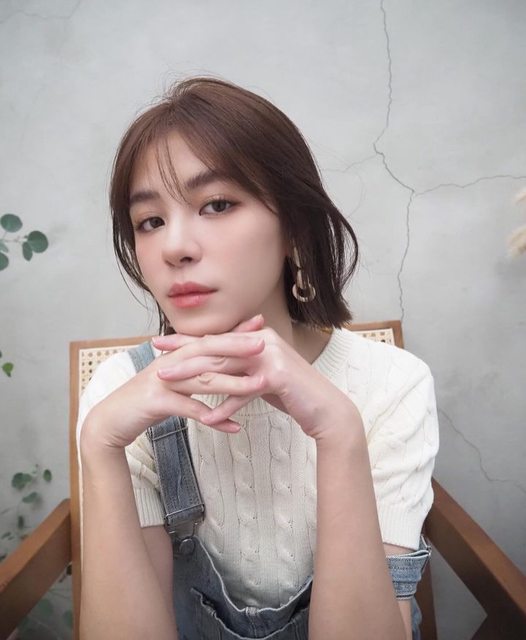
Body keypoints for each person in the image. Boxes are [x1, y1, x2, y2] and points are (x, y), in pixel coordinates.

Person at [77, 77, 439, 640]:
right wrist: (99, 446)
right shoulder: (120, 396)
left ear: (293, 225)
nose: (174, 247)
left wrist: (339, 432)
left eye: (217, 204)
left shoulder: (391, 383)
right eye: (150, 221)